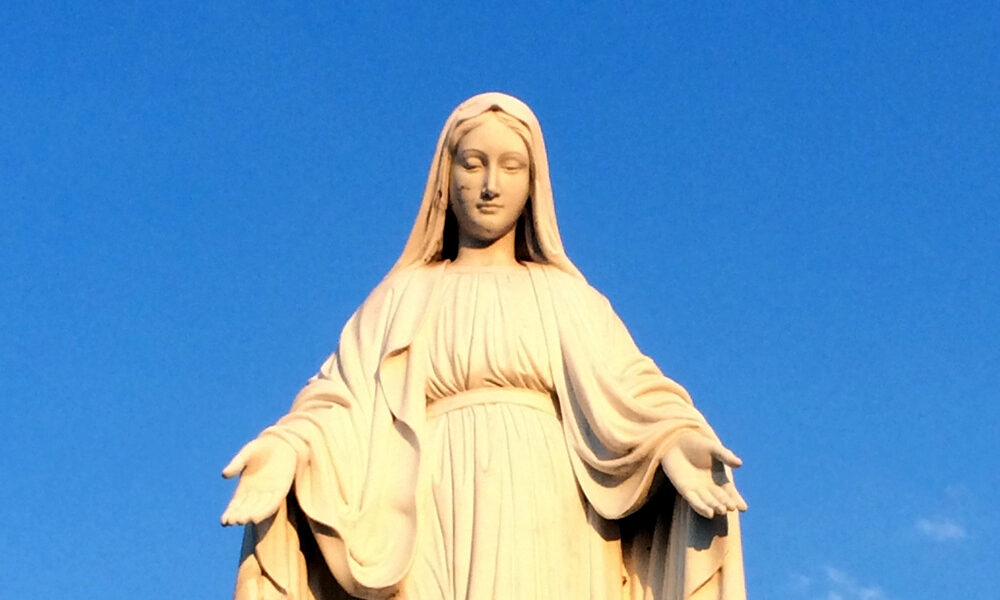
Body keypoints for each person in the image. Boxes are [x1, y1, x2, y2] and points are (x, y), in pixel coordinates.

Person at [221, 92, 747, 600]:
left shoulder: (566, 297)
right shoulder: (403, 296)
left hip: (544, 503)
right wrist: (287, 447)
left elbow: (634, 393)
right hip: (429, 502)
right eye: (473, 165)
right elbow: (340, 403)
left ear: (533, 183)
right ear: (445, 178)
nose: (490, 186)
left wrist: (675, 440)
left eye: (511, 167)